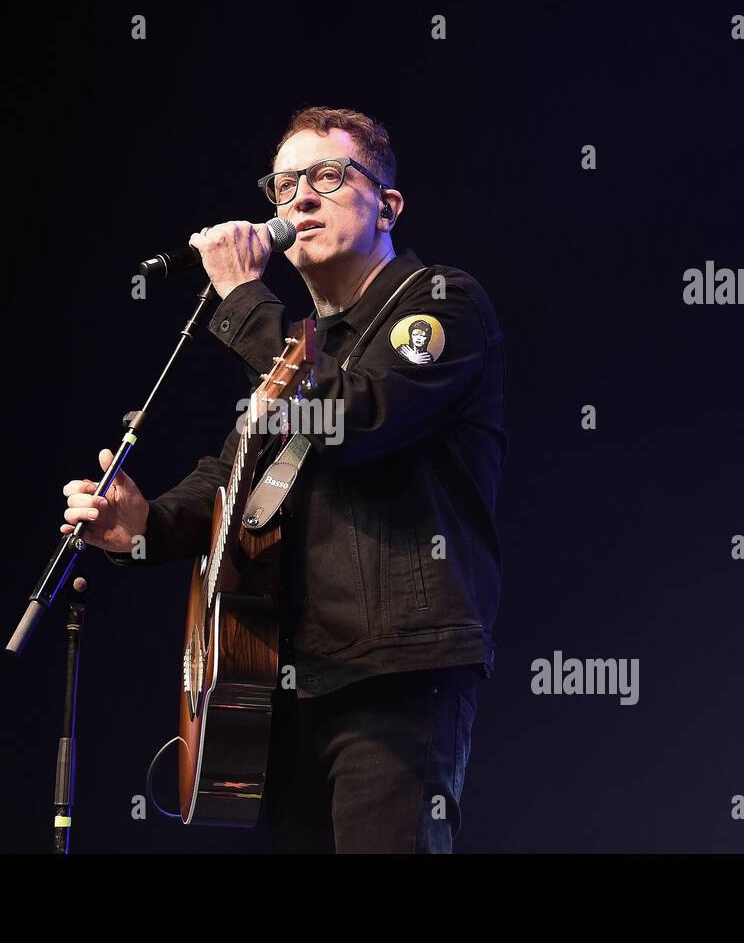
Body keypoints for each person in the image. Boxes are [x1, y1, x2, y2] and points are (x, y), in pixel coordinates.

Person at [60, 106, 507, 852]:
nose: (300, 198)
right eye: (284, 184)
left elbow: (352, 419)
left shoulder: (441, 302)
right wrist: (142, 522)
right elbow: (237, 474)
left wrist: (241, 300)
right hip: (287, 681)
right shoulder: (299, 344)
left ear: (388, 205)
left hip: (395, 673)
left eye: (329, 176)